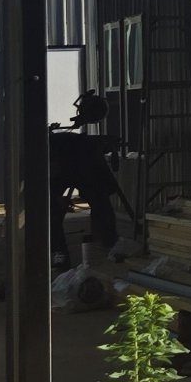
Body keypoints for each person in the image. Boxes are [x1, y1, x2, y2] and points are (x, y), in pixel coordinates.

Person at [50, 88, 131, 266]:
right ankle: (60, 255)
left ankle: (106, 242)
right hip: (70, 162)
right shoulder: (55, 152)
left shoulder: (64, 146)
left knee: (100, 200)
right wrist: (56, 198)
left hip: (76, 162)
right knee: (54, 212)